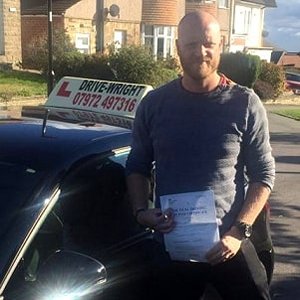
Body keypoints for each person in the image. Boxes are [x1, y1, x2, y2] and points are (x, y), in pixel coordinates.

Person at [125, 10, 275, 300]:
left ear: (220, 46)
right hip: (174, 247)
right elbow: (136, 165)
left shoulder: (245, 103)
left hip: (230, 244)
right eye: (191, 44)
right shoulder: (154, 104)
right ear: (178, 48)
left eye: (208, 44)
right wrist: (142, 213)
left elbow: (263, 175)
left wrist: (239, 232)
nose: (200, 52)